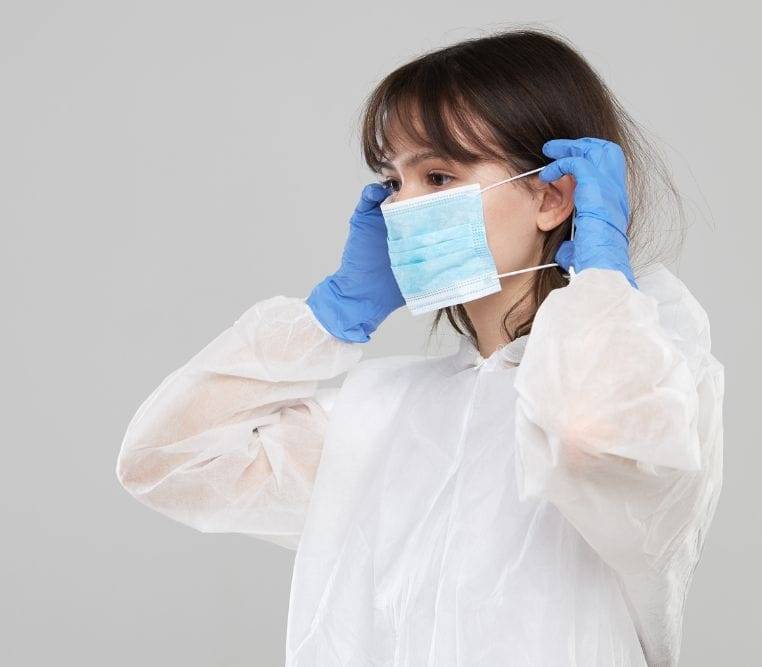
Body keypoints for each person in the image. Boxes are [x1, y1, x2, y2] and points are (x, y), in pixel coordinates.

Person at [115, 29, 724, 667]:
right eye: (393, 181)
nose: (402, 208)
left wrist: (601, 279)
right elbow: (163, 461)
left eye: (437, 176)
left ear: (550, 196)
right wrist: (331, 319)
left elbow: (591, 436)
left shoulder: (654, 366)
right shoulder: (386, 411)